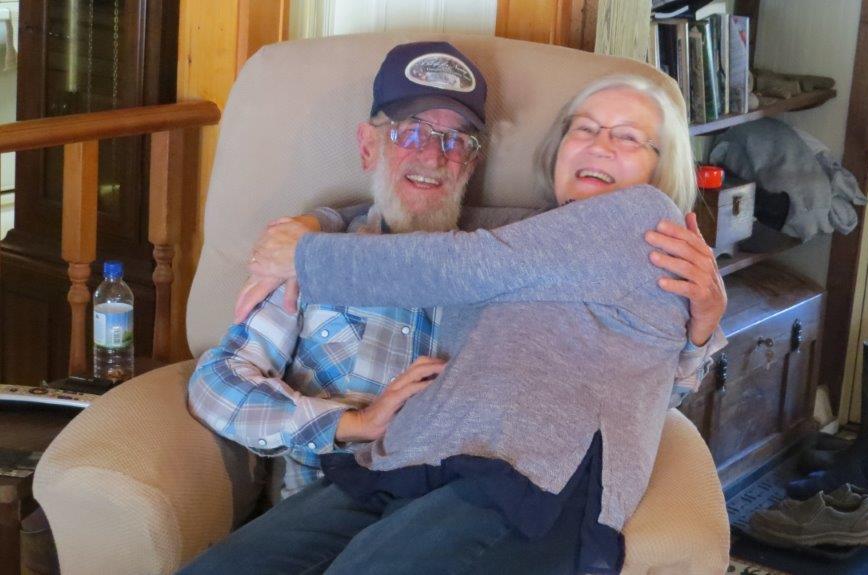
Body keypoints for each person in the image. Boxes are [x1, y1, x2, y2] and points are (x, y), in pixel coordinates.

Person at [184, 44, 725, 575]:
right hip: (412, 457)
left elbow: (463, 265)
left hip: (528, 476)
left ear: (662, 171)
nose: (601, 145)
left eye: (629, 137)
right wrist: (317, 221)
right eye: (584, 128)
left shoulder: (639, 220)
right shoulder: (520, 231)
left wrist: (304, 254)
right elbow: (415, 220)